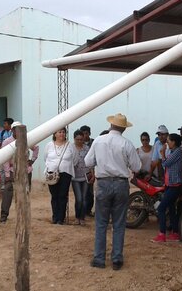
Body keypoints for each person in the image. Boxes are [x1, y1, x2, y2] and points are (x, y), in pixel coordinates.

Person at [85, 113, 141, 270]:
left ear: (110, 125)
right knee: (118, 223)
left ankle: (99, 259)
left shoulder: (98, 140)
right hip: (120, 184)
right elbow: (136, 167)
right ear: (123, 128)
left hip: (103, 183)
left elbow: (88, 161)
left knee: (101, 223)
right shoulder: (126, 143)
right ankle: (116, 259)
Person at [0, 121, 39, 223]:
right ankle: (4, 215)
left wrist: (32, 160)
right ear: (12, 130)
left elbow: (36, 148)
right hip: (12, 170)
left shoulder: (27, 140)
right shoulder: (7, 142)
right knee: (8, 191)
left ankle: (23, 215)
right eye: (16, 129)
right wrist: (7, 174)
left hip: (26, 170)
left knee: (25, 193)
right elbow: (5, 160)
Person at [151, 133, 182, 243]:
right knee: (171, 209)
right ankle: (175, 233)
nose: (167, 143)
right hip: (171, 185)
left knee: (161, 208)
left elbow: (165, 163)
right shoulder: (175, 152)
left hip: (174, 186)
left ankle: (162, 234)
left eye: (169, 141)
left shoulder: (177, 152)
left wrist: (162, 153)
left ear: (174, 142)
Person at [44, 127, 77, 225]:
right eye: (59, 132)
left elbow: (75, 159)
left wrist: (66, 166)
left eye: (63, 132)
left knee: (63, 195)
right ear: (55, 134)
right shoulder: (49, 145)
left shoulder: (70, 145)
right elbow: (45, 158)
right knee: (54, 195)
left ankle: (60, 219)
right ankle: (55, 216)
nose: (62, 134)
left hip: (66, 173)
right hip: (52, 173)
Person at [71, 129, 94, 225]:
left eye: (81, 139)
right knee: (79, 198)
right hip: (75, 177)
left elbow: (90, 163)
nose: (79, 141)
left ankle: (82, 217)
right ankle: (77, 217)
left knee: (84, 198)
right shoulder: (71, 148)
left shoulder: (87, 149)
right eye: (78, 139)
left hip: (85, 176)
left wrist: (93, 174)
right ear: (74, 139)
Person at [80, 125, 95, 217]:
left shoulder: (94, 142)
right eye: (83, 133)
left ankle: (88, 210)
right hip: (81, 170)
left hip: (90, 170)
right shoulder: (79, 143)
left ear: (89, 133)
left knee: (90, 192)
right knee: (82, 192)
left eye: (86, 133)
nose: (85, 135)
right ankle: (83, 210)